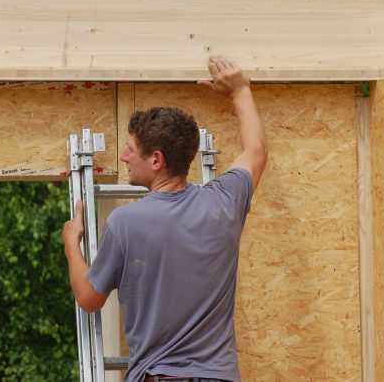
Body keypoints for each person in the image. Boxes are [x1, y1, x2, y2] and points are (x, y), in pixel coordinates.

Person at [62, 56, 268, 382]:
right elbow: (255, 150)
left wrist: (72, 244)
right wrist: (240, 90)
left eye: (131, 149)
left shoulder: (125, 222)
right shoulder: (224, 202)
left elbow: (89, 298)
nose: (124, 156)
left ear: (156, 159)